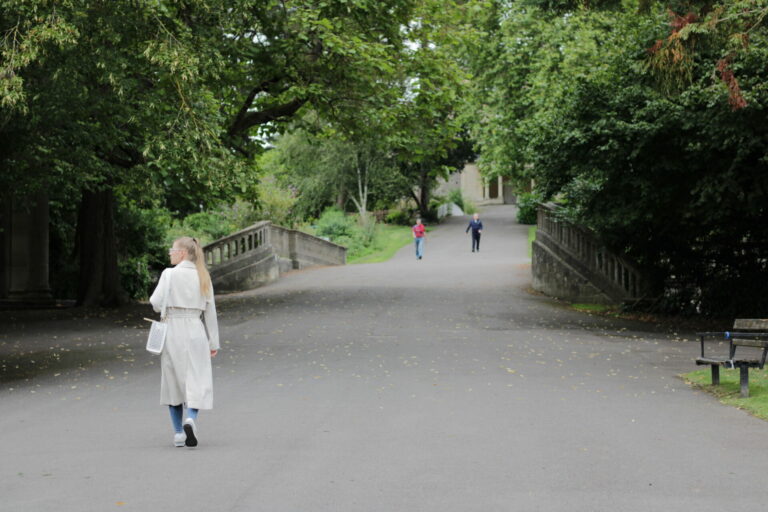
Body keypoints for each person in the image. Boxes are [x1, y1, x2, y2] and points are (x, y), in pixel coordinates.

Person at [149, 237, 219, 448]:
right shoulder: (203, 275)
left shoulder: (169, 274)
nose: (170, 253)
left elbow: (155, 302)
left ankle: (179, 433)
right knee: (197, 377)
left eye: (172, 250)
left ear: (181, 253)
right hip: (196, 329)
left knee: (173, 380)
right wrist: (213, 342)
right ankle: (191, 418)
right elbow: (210, 311)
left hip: (173, 329)